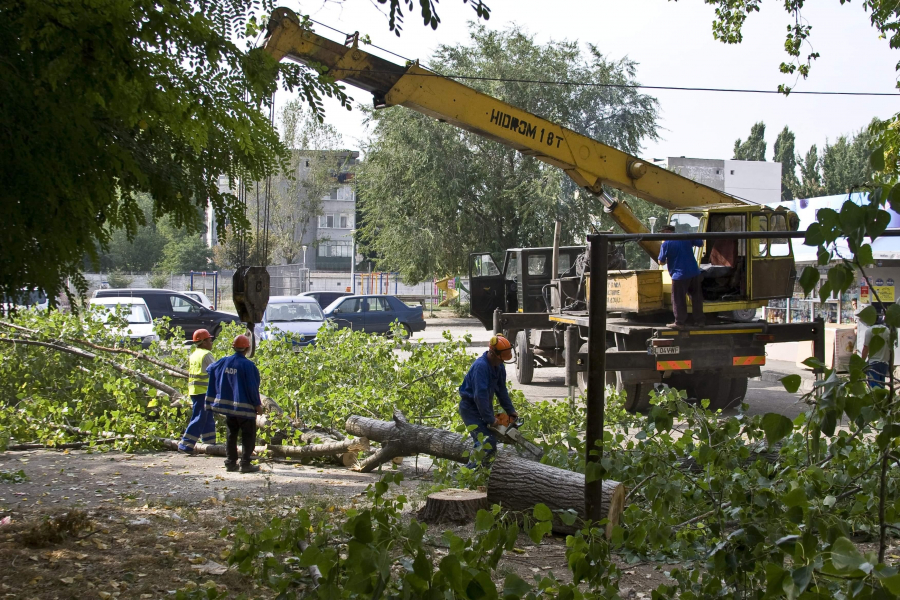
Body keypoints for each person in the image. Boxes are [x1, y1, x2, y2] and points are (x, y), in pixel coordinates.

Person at [206, 334, 263, 473]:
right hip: (245, 409)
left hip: (230, 408)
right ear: (247, 348)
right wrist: (257, 404)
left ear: (233, 347)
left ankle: (230, 463)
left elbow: (210, 369)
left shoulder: (224, 361)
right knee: (248, 436)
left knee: (231, 435)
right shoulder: (248, 365)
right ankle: (245, 464)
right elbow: (252, 387)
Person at [458, 334, 518, 467]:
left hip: (484, 406)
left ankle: (483, 473)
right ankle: (468, 475)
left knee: (491, 443)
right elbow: (480, 396)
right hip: (470, 408)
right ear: (492, 353)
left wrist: (510, 411)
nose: (502, 362)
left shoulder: (499, 366)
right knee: (486, 443)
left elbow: (501, 391)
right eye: (500, 359)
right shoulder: (481, 367)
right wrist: (490, 419)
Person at [657, 224, 705, 329]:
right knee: (696, 297)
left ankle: (679, 322)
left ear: (667, 232)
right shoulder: (685, 236)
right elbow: (701, 243)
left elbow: (661, 261)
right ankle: (700, 321)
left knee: (678, 299)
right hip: (694, 273)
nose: (662, 235)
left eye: (662, 232)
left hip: (679, 276)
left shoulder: (666, 244)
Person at [178, 329, 217, 454]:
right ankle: (185, 445)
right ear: (203, 342)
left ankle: (210, 443)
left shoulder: (194, 354)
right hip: (203, 391)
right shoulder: (206, 354)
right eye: (210, 340)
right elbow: (216, 370)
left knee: (207, 417)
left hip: (195, 390)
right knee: (199, 417)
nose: (211, 343)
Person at [861, 312, 891, 389]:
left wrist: (861, 363)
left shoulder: (869, 331)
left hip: (873, 364)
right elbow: (891, 348)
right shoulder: (887, 330)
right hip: (884, 363)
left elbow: (865, 348)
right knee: (881, 388)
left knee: (874, 389)